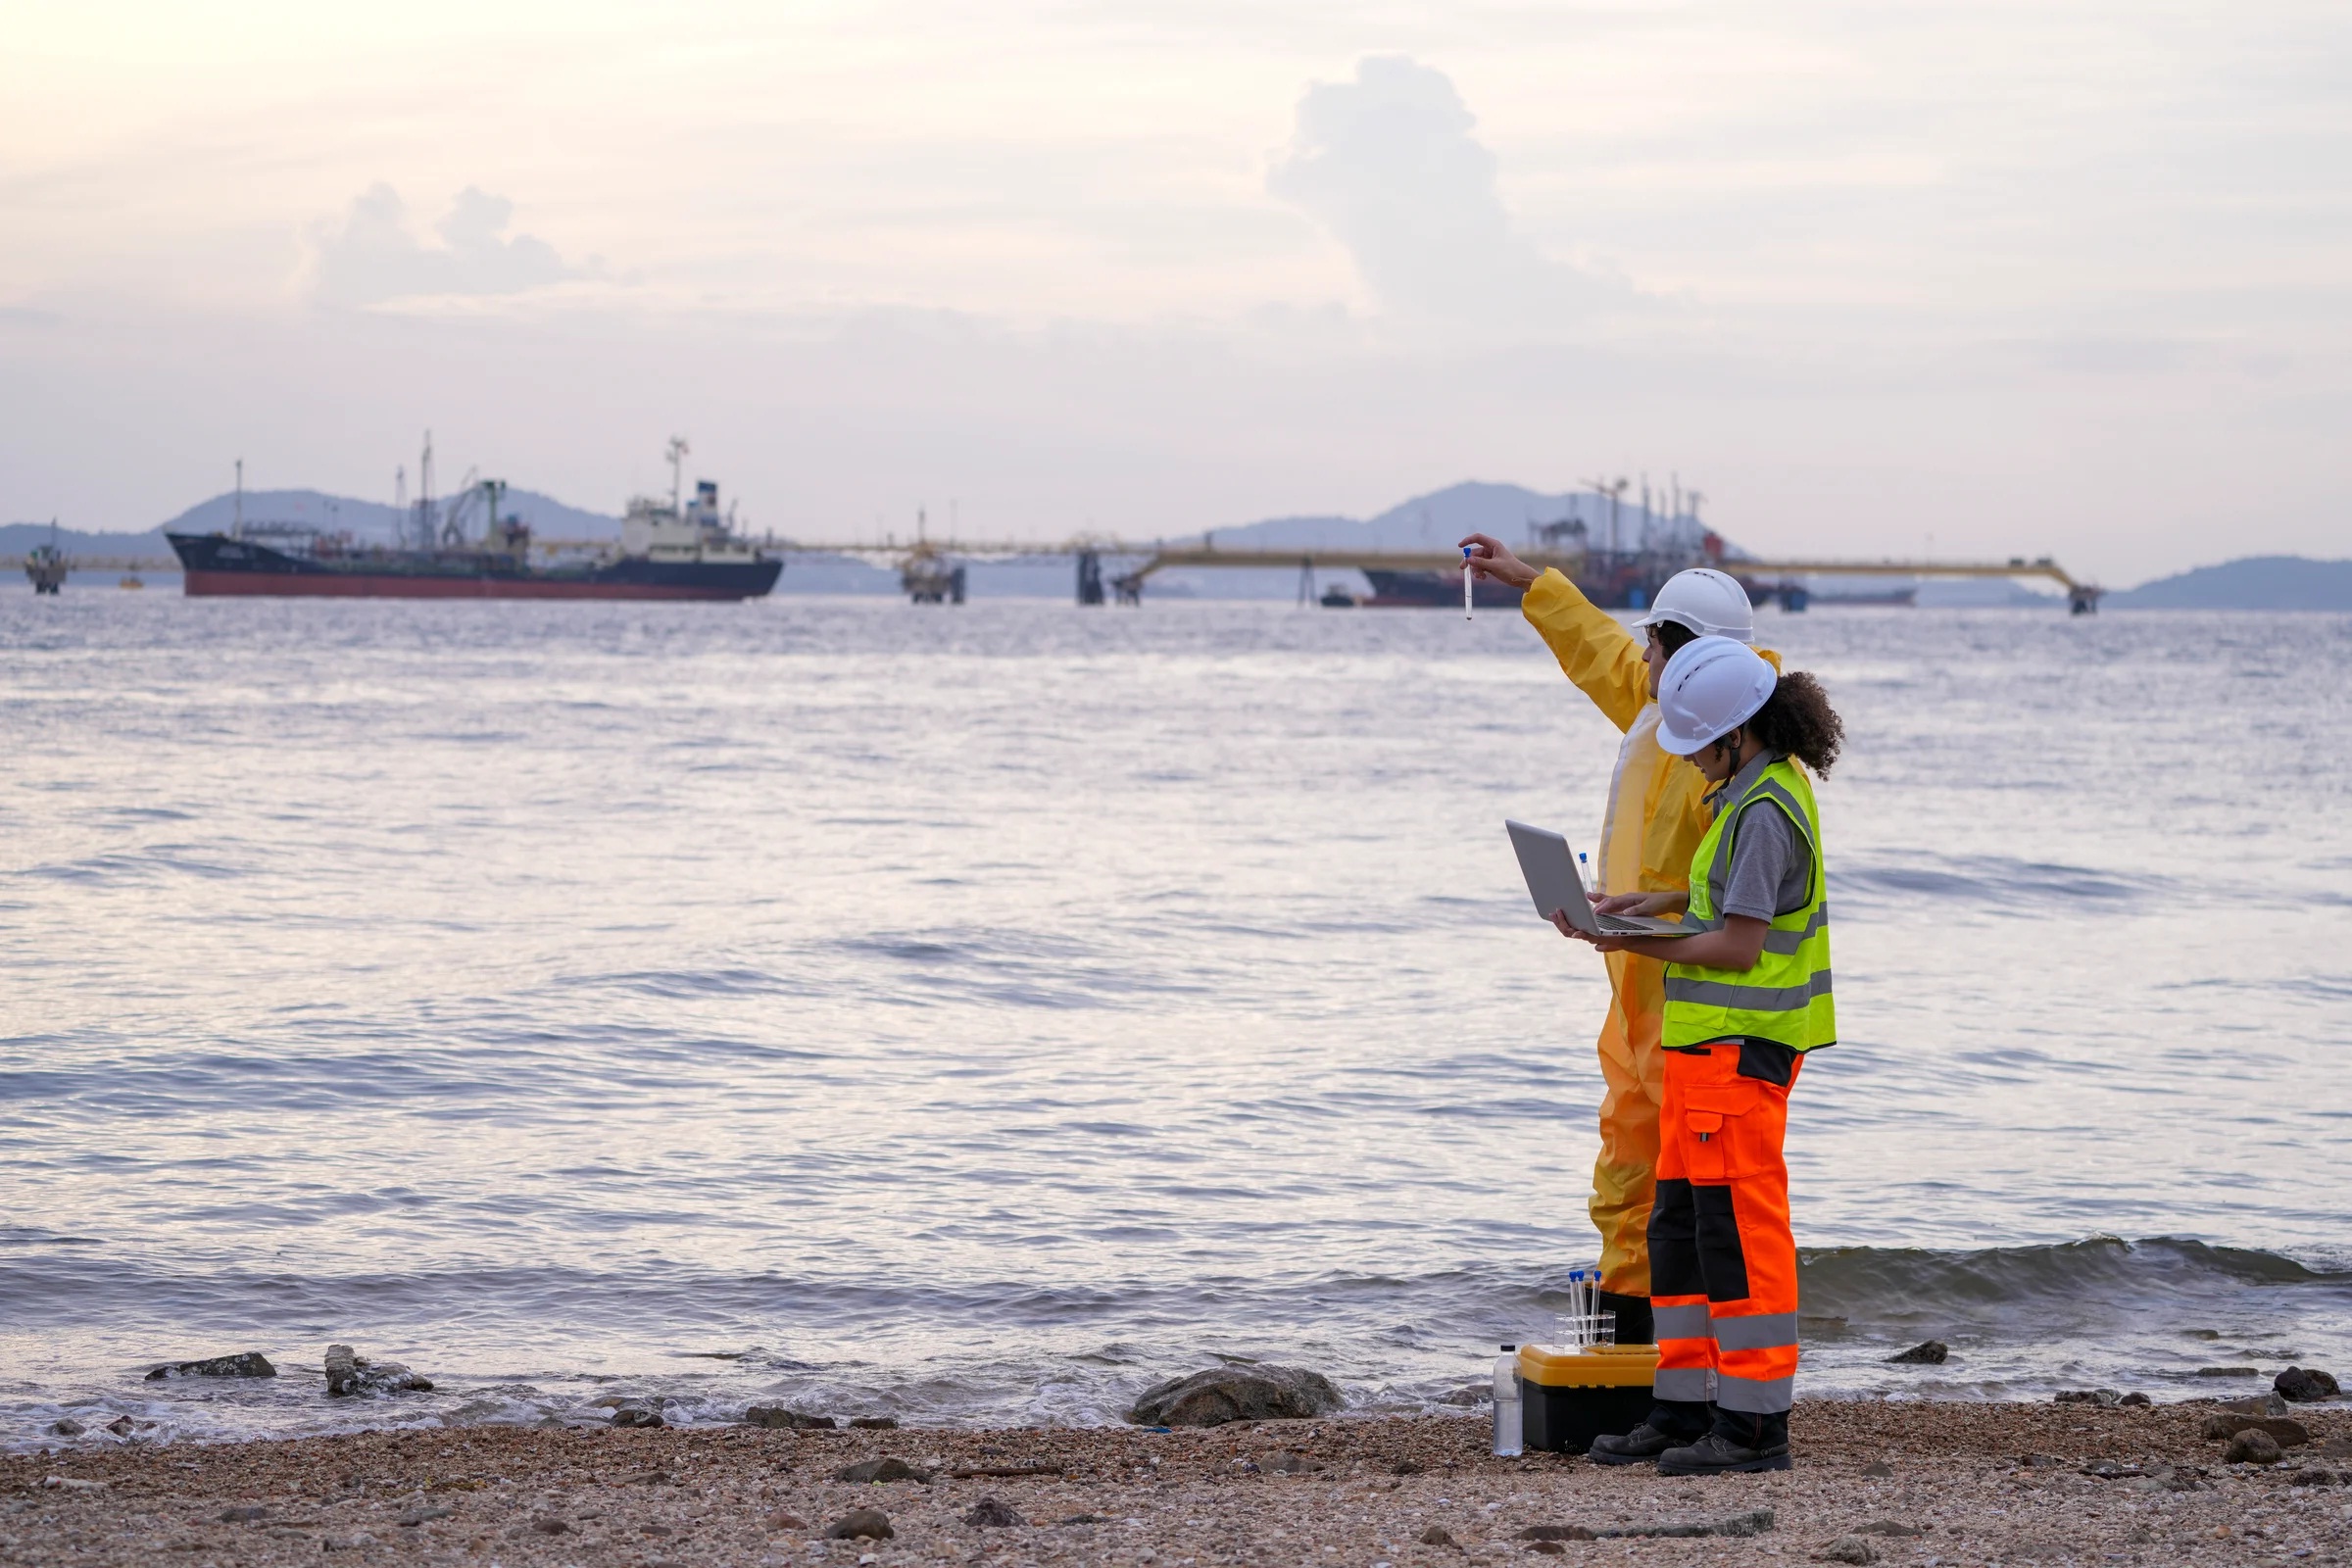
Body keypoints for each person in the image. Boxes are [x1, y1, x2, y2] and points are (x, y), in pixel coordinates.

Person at [1458, 536, 1777, 1350]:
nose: (1642, 655)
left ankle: (1703, 1367)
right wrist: (1530, 581)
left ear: (1684, 649)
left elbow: (1736, 905)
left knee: (1692, 1192)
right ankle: (1636, 1352)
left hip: (1701, 996)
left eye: (1655, 644)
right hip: (1639, 984)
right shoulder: (1666, 701)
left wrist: (1639, 923)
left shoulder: (1736, 744)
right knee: (1629, 1175)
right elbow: (1597, 651)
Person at [1554, 635, 1842, 1475]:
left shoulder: (1761, 809)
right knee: (1676, 1231)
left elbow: (1739, 945)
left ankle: (1754, 1427)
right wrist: (1657, 900)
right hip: (1698, 1058)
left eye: (1697, 750)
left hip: (1739, 1058)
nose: (1693, 767)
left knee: (1738, 1239)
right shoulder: (1749, 789)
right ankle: (1681, 1409)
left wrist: (1629, 939)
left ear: (1735, 733)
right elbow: (1725, 899)